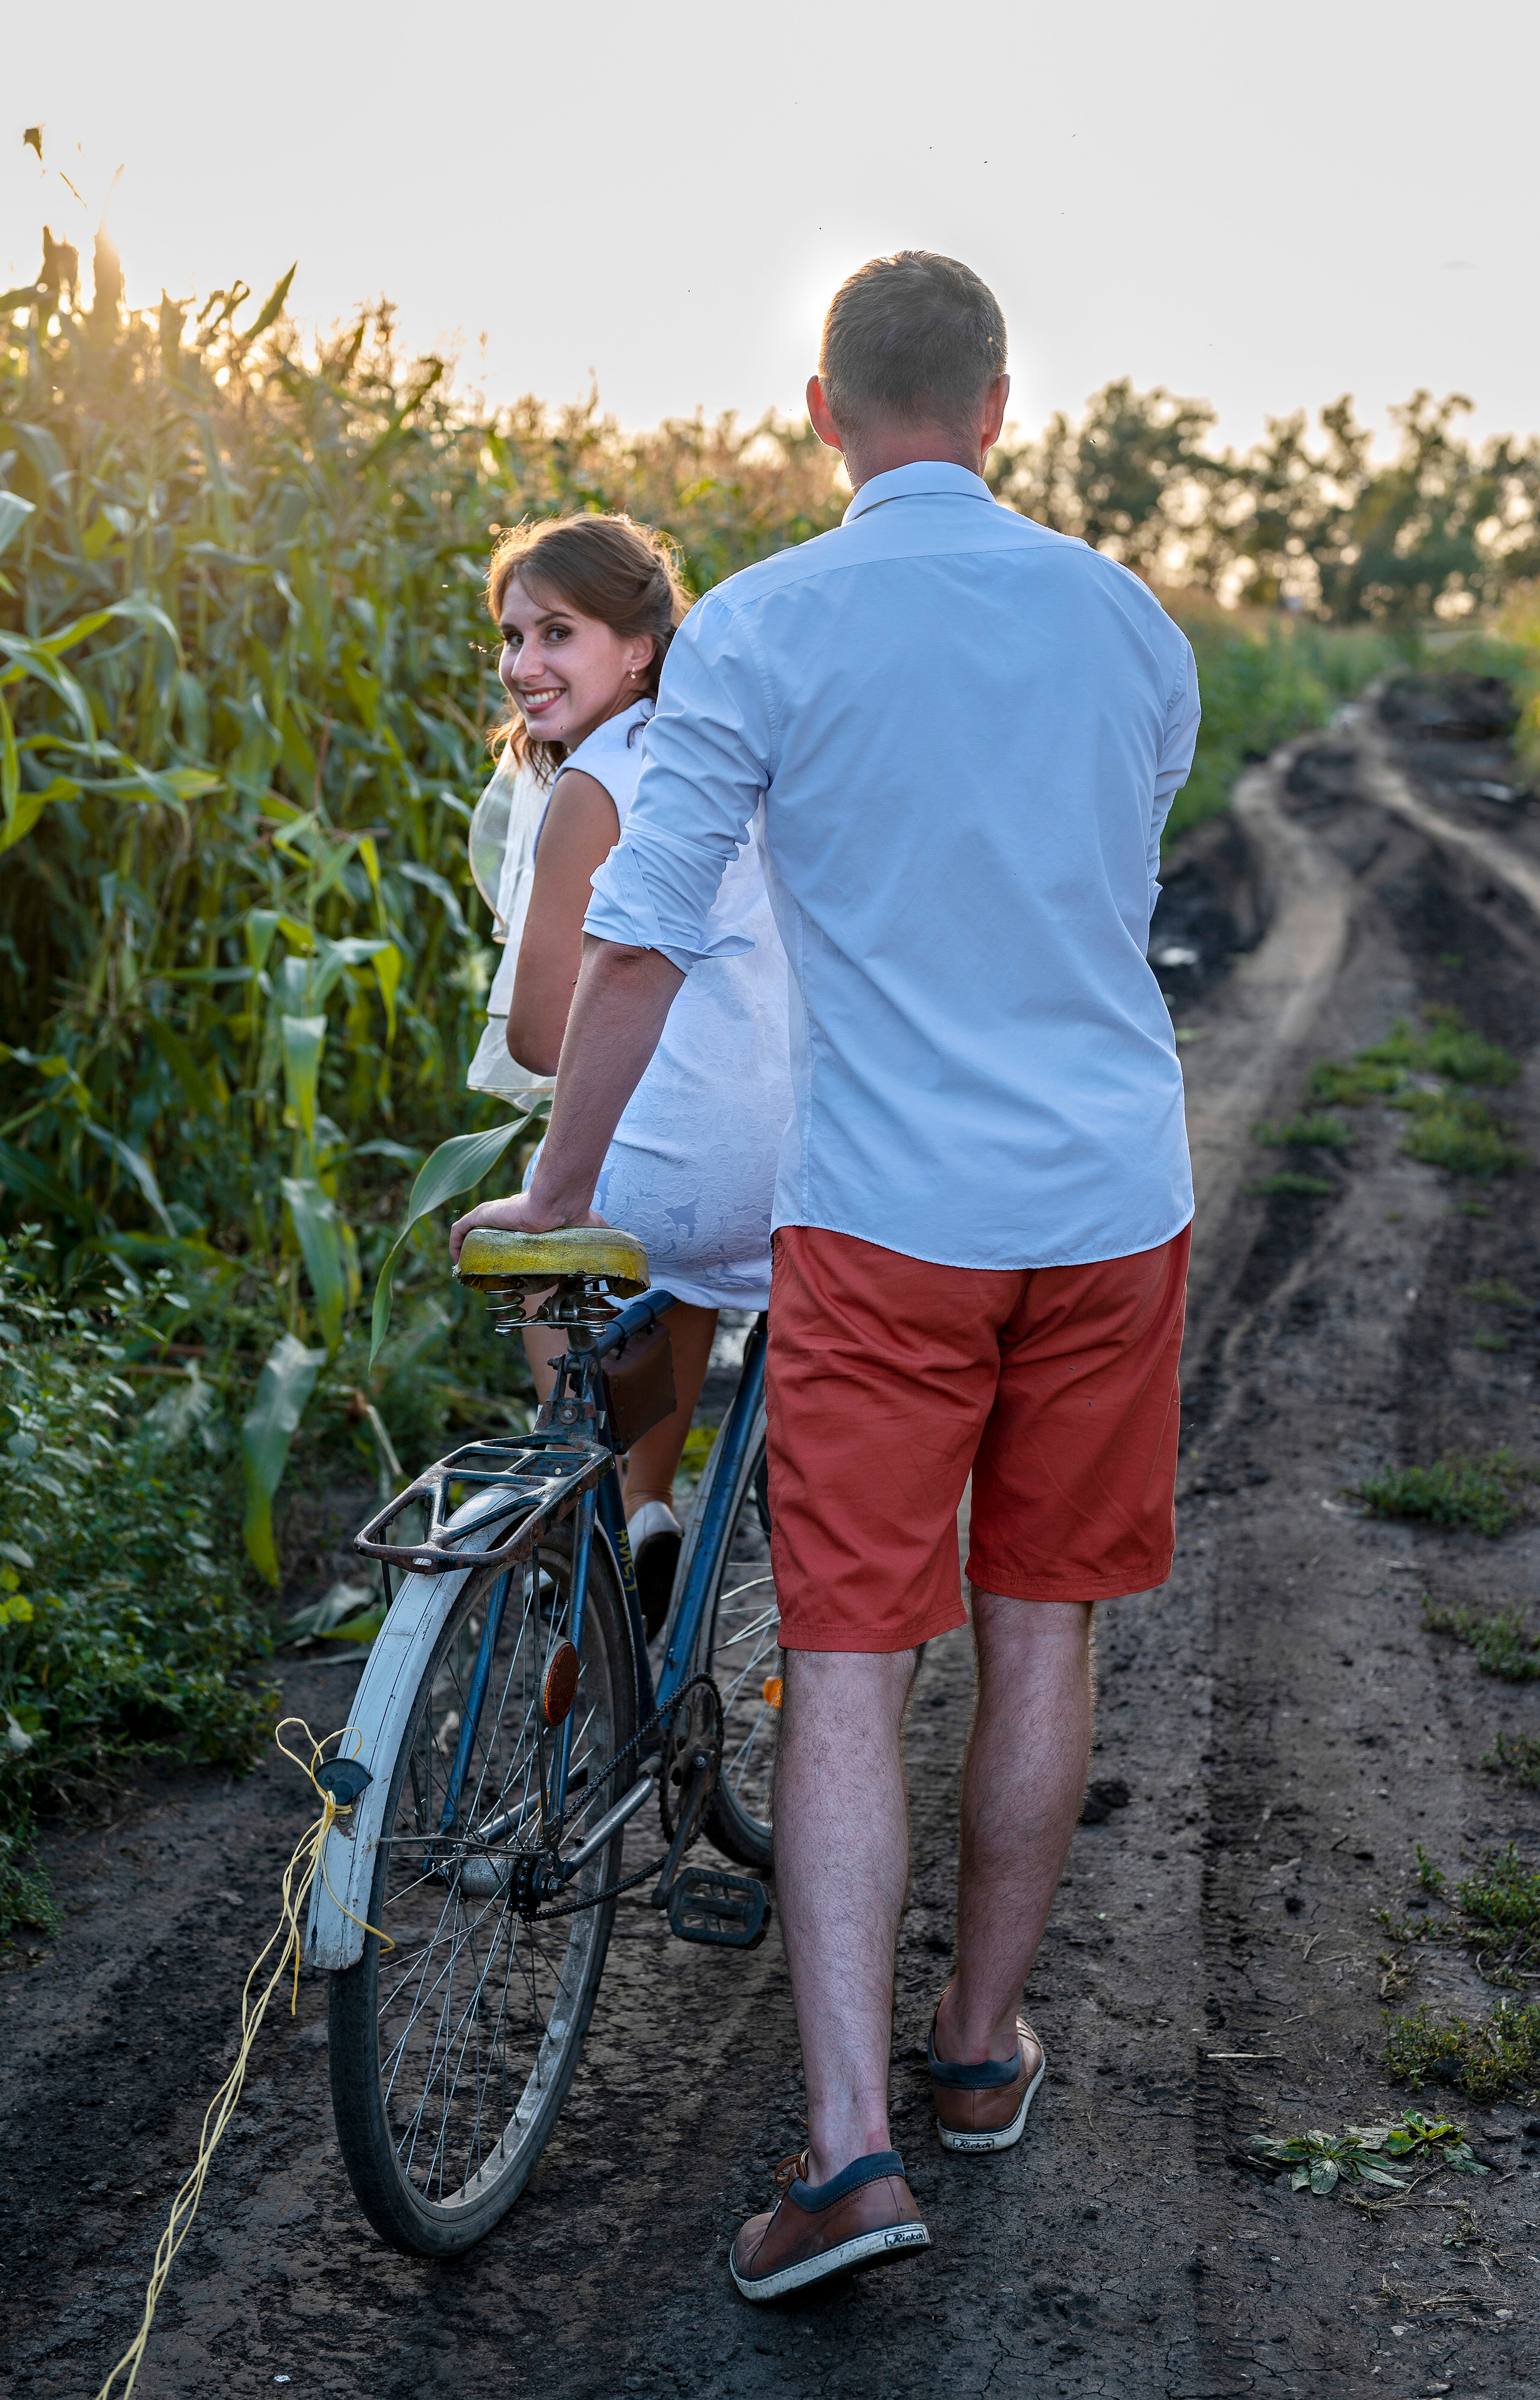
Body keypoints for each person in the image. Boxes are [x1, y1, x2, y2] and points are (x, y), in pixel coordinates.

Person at [450, 252, 1198, 2300]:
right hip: (1112, 1203)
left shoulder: (765, 627)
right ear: (1001, 404)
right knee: (1043, 1620)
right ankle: (980, 2047)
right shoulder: (1129, 623)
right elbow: (1108, 875)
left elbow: (645, 936)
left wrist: (566, 1190)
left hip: (883, 1219)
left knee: (853, 1657)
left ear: (819, 409)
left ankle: (852, 2148)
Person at [467, 513, 792, 1628]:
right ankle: (651, 1501)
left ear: (640, 645)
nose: (522, 666)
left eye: (558, 633)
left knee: (520, 1238)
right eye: (510, 638)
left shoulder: (590, 791)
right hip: (795, 1168)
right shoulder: (726, 756)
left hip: (684, 1181)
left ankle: (599, 1482)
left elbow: (540, 1041)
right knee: (678, 1262)